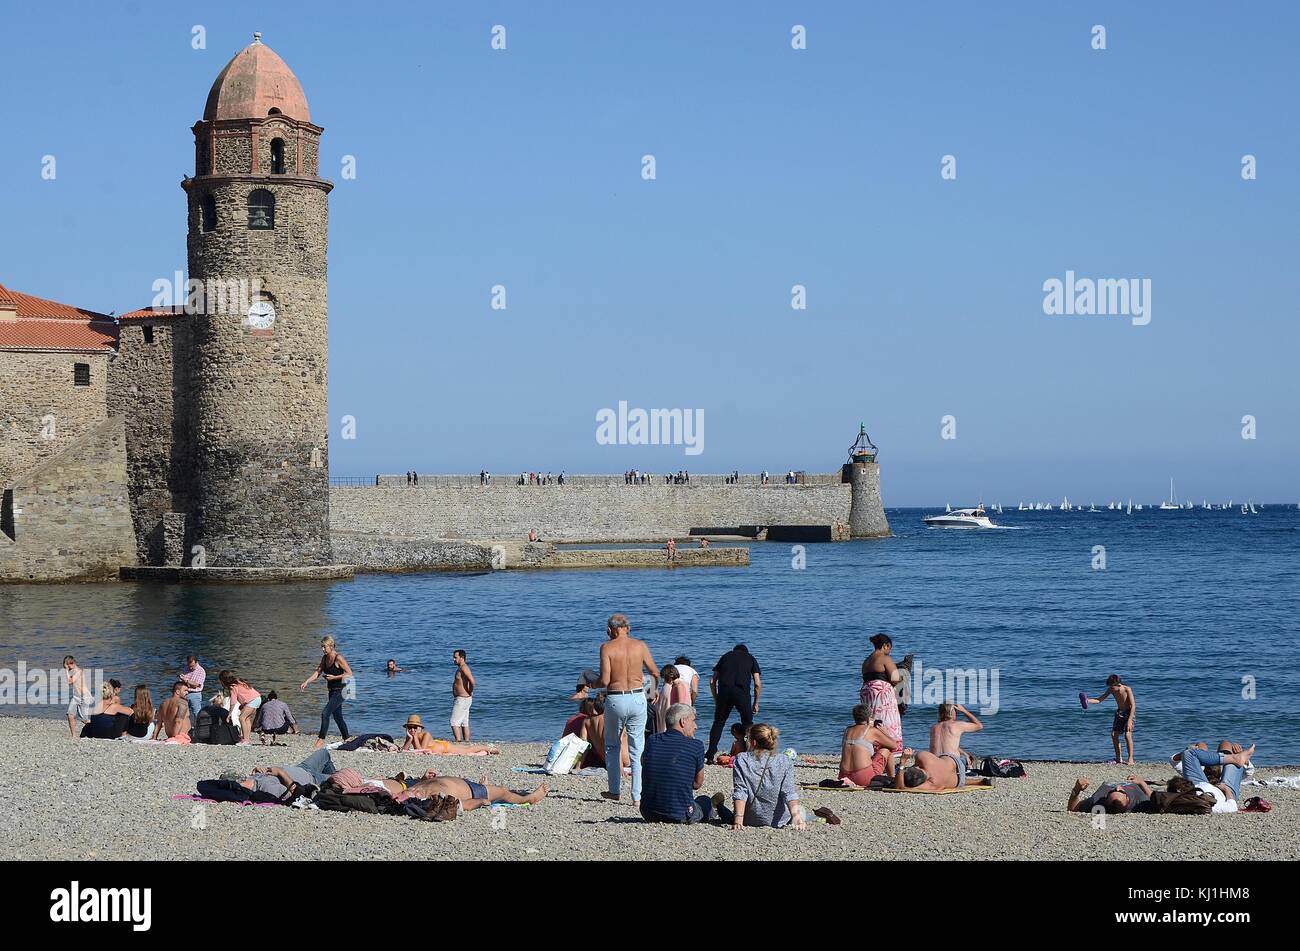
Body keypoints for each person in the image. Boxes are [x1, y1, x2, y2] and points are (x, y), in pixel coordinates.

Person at [596, 613, 659, 805]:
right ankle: (637, 796)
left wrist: (591, 682)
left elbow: (605, 681)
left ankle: (615, 790)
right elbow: (654, 672)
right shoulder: (640, 646)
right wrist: (653, 691)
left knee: (612, 745)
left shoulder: (607, 647)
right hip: (638, 697)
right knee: (637, 747)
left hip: (616, 698)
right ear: (627, 628)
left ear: (612, 629)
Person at [719, 723, 806, 830]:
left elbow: (741, 791)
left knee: (723, 811)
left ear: (753, 742)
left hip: (748, 820)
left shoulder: (741, 759)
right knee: (801, 811)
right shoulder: (784, 761)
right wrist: (797, 819)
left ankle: (719, 805)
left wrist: (738, 821)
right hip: (779, 821)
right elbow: (789, 793)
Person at [639, 703, 712, 823]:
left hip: (648, 811)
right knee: (705, 801)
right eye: (693, 721)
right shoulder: (696, 745)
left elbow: (645, 764)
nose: (696, 726)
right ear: (683, 722)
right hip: (680, 812)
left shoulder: (652, 740)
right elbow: (697, 784)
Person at [705, 644, 762, 762]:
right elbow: (757, 684)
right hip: (742, 694)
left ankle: (710, 755)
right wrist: (756, 703)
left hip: (724, 693)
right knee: (748, 724)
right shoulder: (750, 658)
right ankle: (750, 754)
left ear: (733, 651)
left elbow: (712, 681)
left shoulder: (725, 657)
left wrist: (717, 699)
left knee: (719, 722)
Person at [1171, 741, 1256, 813]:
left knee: (1192, 751)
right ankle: (1235, 758)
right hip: (1223, 791)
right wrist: (1226, 790)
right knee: (1224, 744)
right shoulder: (1205, 770)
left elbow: (1174, 761)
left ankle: (1235, 758)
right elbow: (1232, 807)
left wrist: (1186, 752)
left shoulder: (1203, 770)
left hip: (1197, 784)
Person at [395, 773, 548, 812]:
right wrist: (481, 802)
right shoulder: (433, 800)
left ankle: (486, 786)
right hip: (474, 791)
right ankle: (530, 798)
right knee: (503, 793)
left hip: (464, 783)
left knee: (497, 790)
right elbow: (462, 805)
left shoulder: (411, 790)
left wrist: (424, 777)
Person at [301, 635, 353, 750]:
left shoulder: (338, 658)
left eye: (324, 647)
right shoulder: (324, 658)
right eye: (322, 647)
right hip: (332, 691)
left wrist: (334, 678)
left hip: (343, 690)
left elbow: (349, 674)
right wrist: (307, 681)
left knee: (325, 713)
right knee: (337, 716)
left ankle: (321, 740)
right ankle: (347, 738)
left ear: (331, 646)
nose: (322, 649)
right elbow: (317, 672)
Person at [859, 634, 906, 760]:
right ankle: (888, 751)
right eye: (890, 648)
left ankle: (873, 750)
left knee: (872, 719)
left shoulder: (866, 661)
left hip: (867, 691)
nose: (890, 651)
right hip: (881, 692)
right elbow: (895, 679)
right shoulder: (885, 658)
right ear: (886, 646)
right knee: (887, 720)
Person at [837, 705, 899, 785]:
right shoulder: (871, 730)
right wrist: (884, 732)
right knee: (887, 749)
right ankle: (892, 778)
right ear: (869, 717)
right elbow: (894, 745)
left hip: (844, 776)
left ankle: (892, 778)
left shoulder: (847, 730)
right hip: (863, 778)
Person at [1084, 674, 1137, 764]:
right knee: (1114, 735)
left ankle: (1130, 759)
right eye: (1110, 687)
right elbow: (1100, 700)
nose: (1111, 689)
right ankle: (1118, 758)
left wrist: (1129, 721)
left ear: (1118, 684)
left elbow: (1133, 706)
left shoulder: (1127, 689)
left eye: (1112, 687)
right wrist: (1087, 701)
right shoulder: (1111, 690)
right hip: (1119, 713)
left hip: (1129, 713)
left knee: (1127, 735)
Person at [895, 748, 995, 792]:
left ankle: (979, 781)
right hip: (955, 760)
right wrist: (903, 761)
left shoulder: (932, 784)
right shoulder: (922, 756)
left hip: (959, 780)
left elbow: (901, 788)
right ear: (916, 767)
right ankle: (968, 760)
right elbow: (900, 788)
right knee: (947, 767)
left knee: (949, 779)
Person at [400, 714, 499, 754]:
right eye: (410, 727)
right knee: (465, 748)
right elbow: (404, 749)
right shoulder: (411, 736)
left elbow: (420, 751)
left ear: (420, 728)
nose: (412, 730)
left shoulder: (426, 735)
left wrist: (415, 738)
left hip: (445, 747)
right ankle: (486, 747)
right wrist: (409, 738)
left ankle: (488, 748)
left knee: (467, 750)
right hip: (440, 746)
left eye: (415, 727)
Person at [930, 702, 982, 766]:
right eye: (955, 711)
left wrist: (964, 753)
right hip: (951, 764)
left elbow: (947, 745)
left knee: (965, 756)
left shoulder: (934, 728)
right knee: (968, 759)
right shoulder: (957, 725)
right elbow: (979, 726)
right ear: (951, 712)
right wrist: (964, 710)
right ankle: (968, 768)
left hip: (935, 763)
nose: (956, 713)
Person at [1067, 775, 1151, 814]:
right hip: (1132, 780)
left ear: (1106, 799)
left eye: (1112, 791)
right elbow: (1154, 798)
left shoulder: (1097, 802)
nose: (1117, 787)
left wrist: (1076, 789)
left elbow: (1073, 809)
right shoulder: (1140, 802)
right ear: (1127, 799)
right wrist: (1141, 783)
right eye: (1121, 791)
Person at [218, 670, 262, 744]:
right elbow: (245, 694)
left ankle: (245, 740)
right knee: (247, 719)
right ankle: (247, 739)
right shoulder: (239, 681)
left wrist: (229, 713)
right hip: (257, 698)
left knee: (242, 718)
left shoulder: (233, 687)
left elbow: (233, 701)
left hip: (252, 700)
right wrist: (243, 705)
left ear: (224, 681)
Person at [654, 665, 691, 733]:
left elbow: (681, 704)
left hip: (677, 717)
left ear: (670, 676)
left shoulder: (679, 685)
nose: (664, 680)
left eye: (665, 677)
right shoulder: (676, 685)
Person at [64, 655, 94, 738]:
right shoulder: (72, 672)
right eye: (67, 665)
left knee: (85, 719)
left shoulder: (79, 671)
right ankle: (74, 735)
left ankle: (95, 732)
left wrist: (66, 670)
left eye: (69, 664)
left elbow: (70, 682)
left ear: (73, 663)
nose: (68, 667)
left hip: (84, 697)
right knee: (70, 715)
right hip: (76, 697)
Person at [451, 649, 476, 742]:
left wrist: (470, 691)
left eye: (455, 657)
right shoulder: (461, 668)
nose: (453, 659)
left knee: (454, 722)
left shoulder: (464, 668)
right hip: (465, 699)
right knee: (464, 723)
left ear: (462, 658)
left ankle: (458, 742)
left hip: (462, 699)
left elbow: (472, 681)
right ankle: (466, 742)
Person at [179, 655, 206, 722]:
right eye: (189, 665)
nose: (190, 668)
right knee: (181, 713)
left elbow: (197, 685)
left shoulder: (201, 671)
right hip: (184, 693)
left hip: (195, 694)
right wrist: (189, 683)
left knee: (197, 714)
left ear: (196, 662)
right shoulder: (185, 668)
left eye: (192, 666)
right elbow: (181, 680)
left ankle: (199, 729)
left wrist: (187, 681)